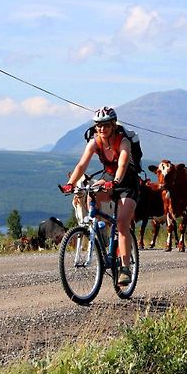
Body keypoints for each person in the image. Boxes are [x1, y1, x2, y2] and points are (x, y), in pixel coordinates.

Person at [60, 106, 139, 285]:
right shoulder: (95, 142)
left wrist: (117, 181)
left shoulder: (123, 141)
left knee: (122, 223)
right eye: (98, 126)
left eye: (105, 125)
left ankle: (125, 269)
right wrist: (70, 184)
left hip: (127, 181)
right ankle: (102, 236)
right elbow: (82, 165)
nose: (101, 129)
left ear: (112, 125)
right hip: (109, 177)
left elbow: (123, 164)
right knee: (91, 194)